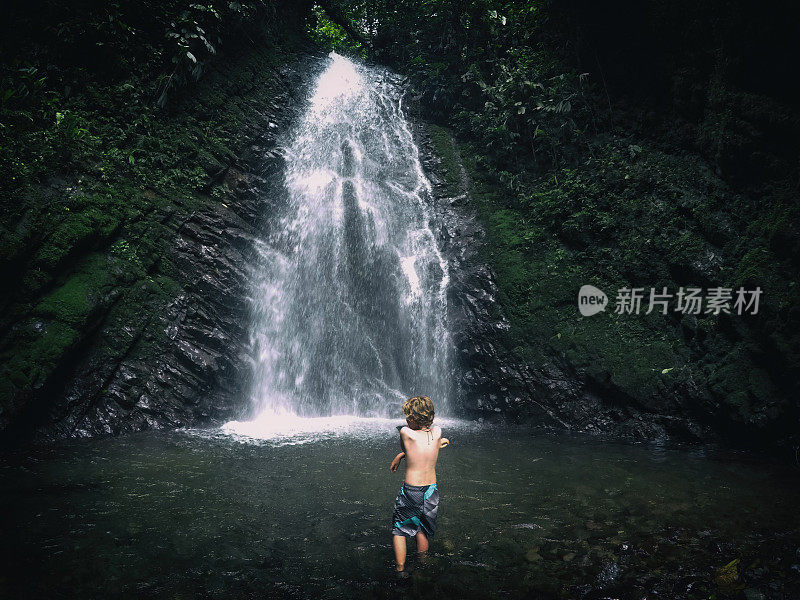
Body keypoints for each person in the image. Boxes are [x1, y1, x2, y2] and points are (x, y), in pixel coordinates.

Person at [389, 395, 450, 575]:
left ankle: (400, 570)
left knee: (400, 530)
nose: (406, 420)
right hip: (431, 490)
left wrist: (400, 455)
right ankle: (423, 565)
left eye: (408, 417)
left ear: (414, 418)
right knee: (422, 529)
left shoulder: (406, 433)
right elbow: (432, 444)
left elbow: (408, 447)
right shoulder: (438, 432)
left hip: (412, 491)